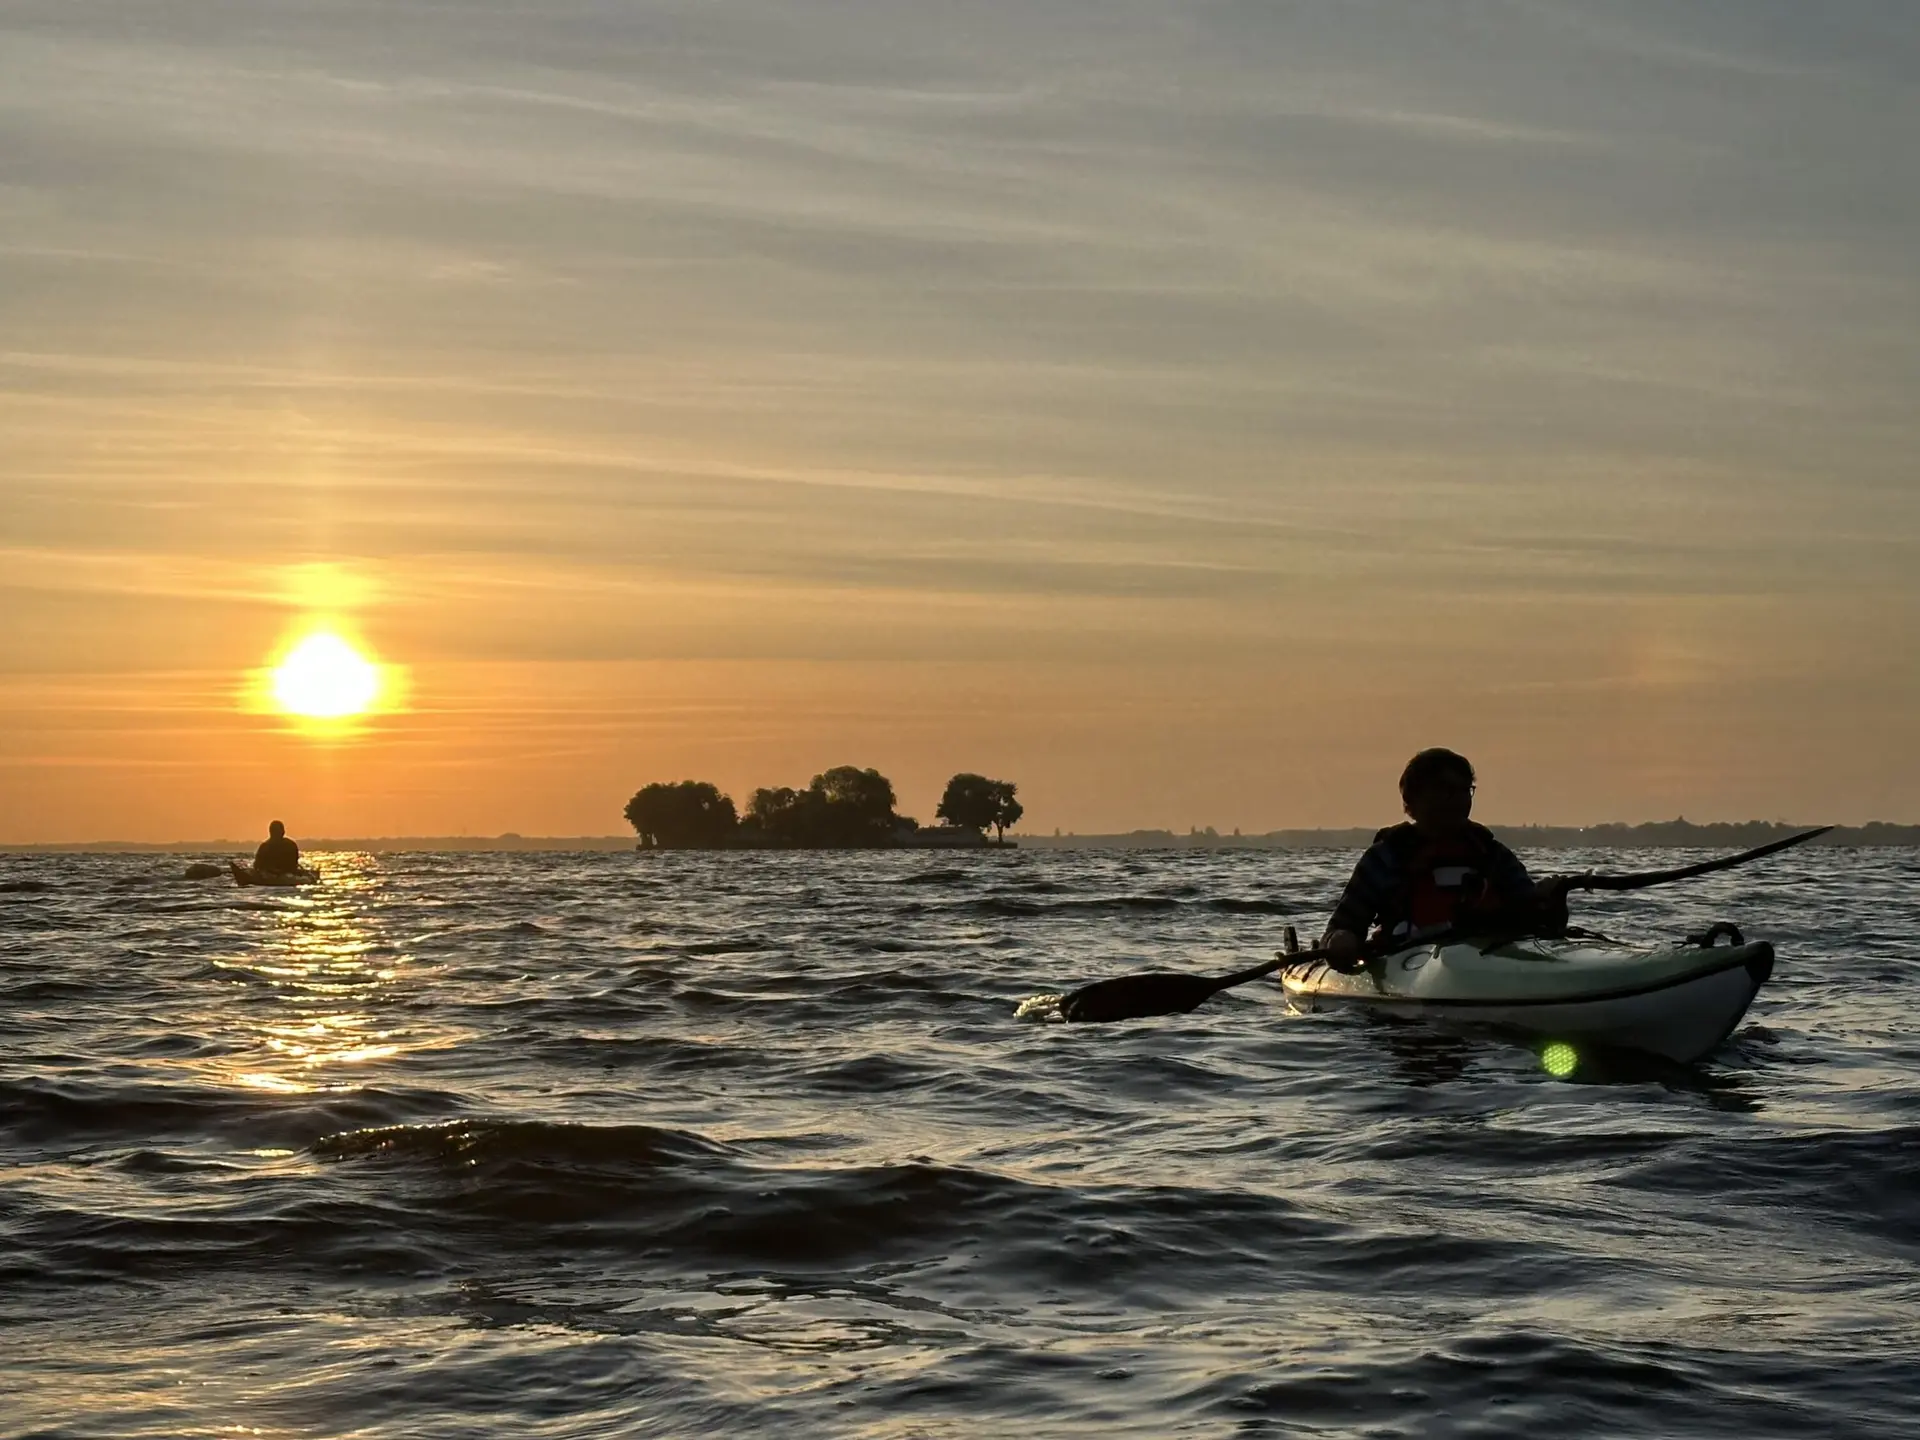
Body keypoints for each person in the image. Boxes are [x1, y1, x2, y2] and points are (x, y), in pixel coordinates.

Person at [1322, 749, 1559, 969]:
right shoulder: (1386, 858)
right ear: (1412, 799)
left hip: (1490, 963)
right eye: (1445, 790)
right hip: (1406, 965)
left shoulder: (1492, 855)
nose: (1457, 800)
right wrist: (1340, 940)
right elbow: (1343, 924)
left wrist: (1551, 901)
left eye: (1465, 790)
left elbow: (1537, 921)